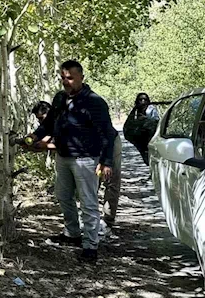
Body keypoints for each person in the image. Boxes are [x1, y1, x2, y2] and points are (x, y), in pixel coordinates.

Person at [24, 60, 117, 264]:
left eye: (70, 78)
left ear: (81, 78)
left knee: (88, 202)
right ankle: (72, 233)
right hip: (63, 157)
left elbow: (108, 134)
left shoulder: (94, 102)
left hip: (86, 159)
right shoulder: (59, 99)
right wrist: (33, 137)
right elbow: (48, 125)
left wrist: (106, 161)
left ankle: (91, 245)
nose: (66, 81)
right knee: (63, 196)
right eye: (63, 78)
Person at [28, 99, 121, 239]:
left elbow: (70, 144)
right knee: (88, 188)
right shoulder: (50, 124)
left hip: (108, 143)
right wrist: (33, 142)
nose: (40, 122)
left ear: (50, 113)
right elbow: (48, 139)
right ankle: (80, 229)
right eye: (38, 119)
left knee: (110, 182)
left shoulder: (66, 118)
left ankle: (107, 222)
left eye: (42, 118)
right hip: (89, 151)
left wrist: (44, 146)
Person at [123, 92, 160, 165]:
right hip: (139, 137)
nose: (143, 101)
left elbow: (156, 121)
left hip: (150, 136)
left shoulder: (151, 109)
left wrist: (145, 119)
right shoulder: (135, 110)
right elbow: (128, 124)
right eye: (141, 99)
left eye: (145, 99)